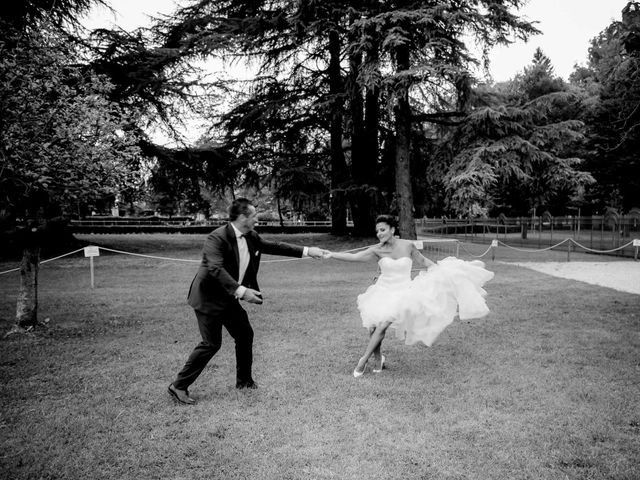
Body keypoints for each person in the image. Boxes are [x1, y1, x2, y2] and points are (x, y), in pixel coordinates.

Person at [168, 198, 326, 405]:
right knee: (211, 343)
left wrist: (307, 251)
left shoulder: (251, 236)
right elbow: (216, 269)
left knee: (244, 334)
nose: (256, 220)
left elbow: (276, 246)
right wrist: (242, 291)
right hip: (208, 298)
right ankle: (178, 385)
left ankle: (244, 381)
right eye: (254, 216)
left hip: (228, 297)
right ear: (242, 217)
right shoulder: (217, 238)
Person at [323, 214, 494, 378]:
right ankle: (378, 359)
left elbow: (424, 262)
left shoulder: (407, 245)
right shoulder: (376, 250)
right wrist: (331, 254)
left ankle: (362, 361)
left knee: (382, 325)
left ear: (392, 229)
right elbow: (353, 257)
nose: (379, 234)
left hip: (403, 291)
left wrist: (443, 272)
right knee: (373, 327)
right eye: (377, 231)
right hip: (382, 290)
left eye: (382, 230)